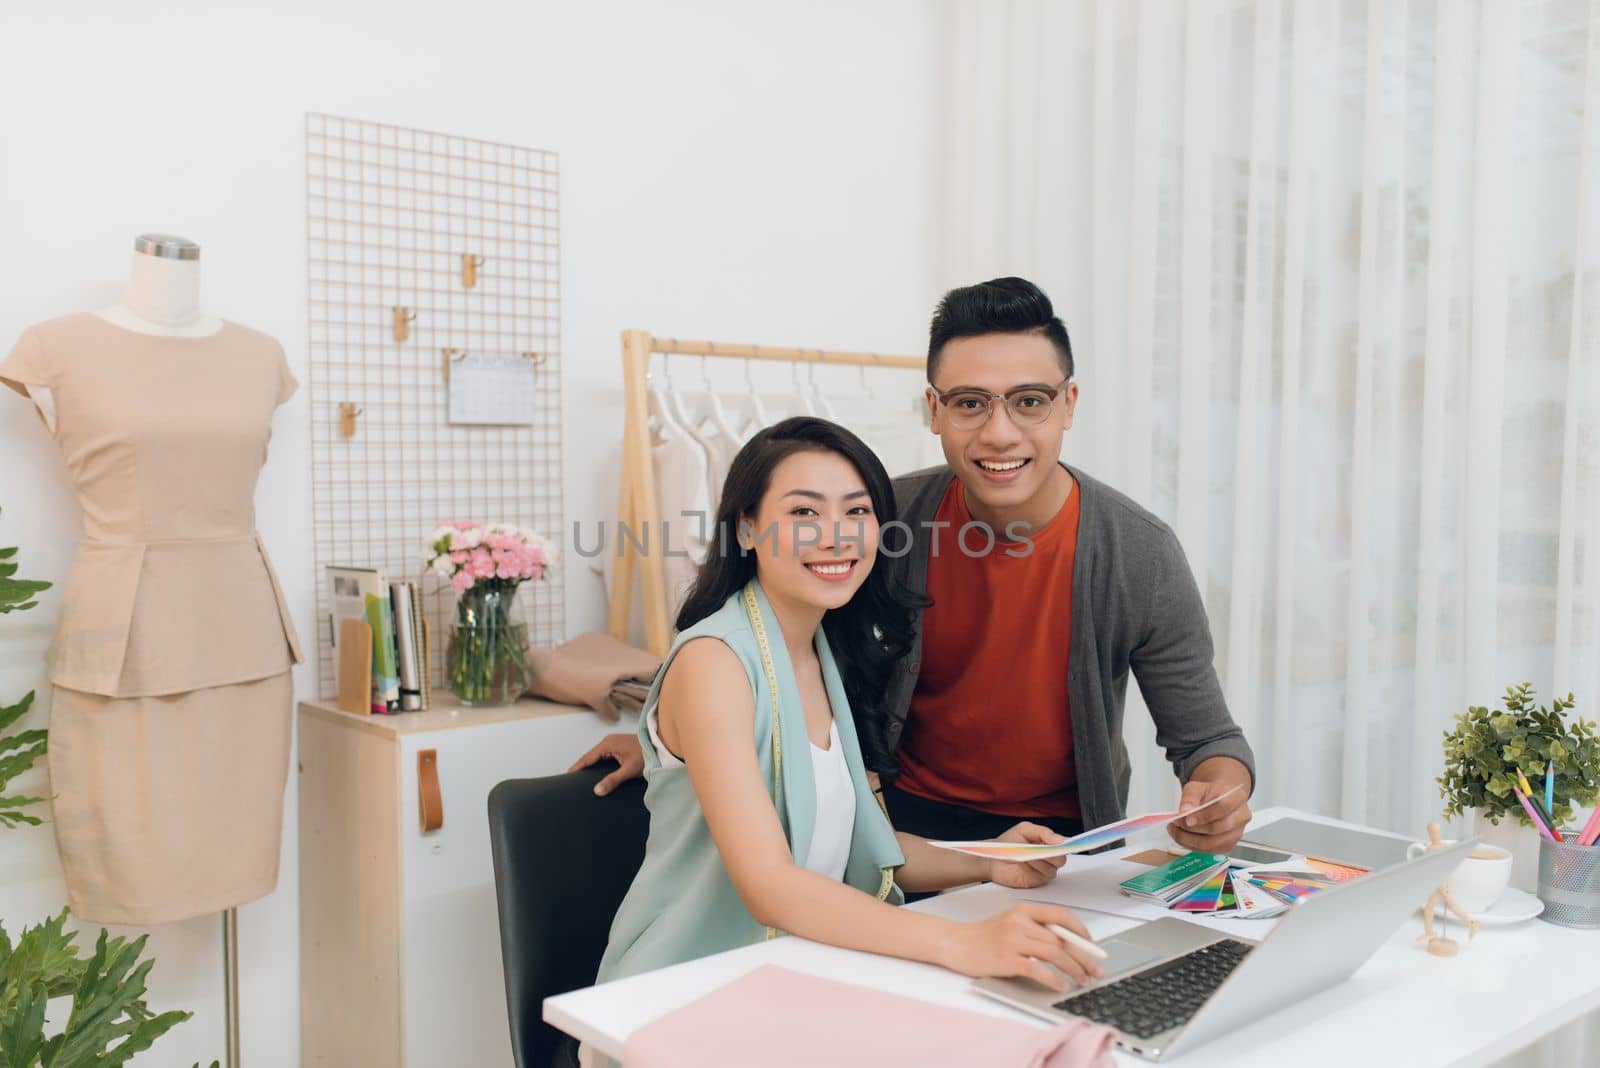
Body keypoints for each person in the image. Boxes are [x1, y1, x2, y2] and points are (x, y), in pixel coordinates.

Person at [577, 277, 1256, 856]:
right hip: (894, 827)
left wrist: (1219, 789)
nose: (998, 432)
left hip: (1063, 843)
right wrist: (678, 746)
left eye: (1029, 401)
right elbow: (763, 640)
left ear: (1067, 406)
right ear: (934, 411)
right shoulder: (878, 520)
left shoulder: (1139, 553)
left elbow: (1208, 739)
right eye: (969, 404)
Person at [595, 416, 1105, 993]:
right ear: (746, 530)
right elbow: (771, 885)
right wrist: (962, 942)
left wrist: (989, 860)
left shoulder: (825, 651)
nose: (837, 535)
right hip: (685, 990)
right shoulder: (715, 662)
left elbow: (871, 846)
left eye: (857, 512)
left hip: (800, 972)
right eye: (804, 513)